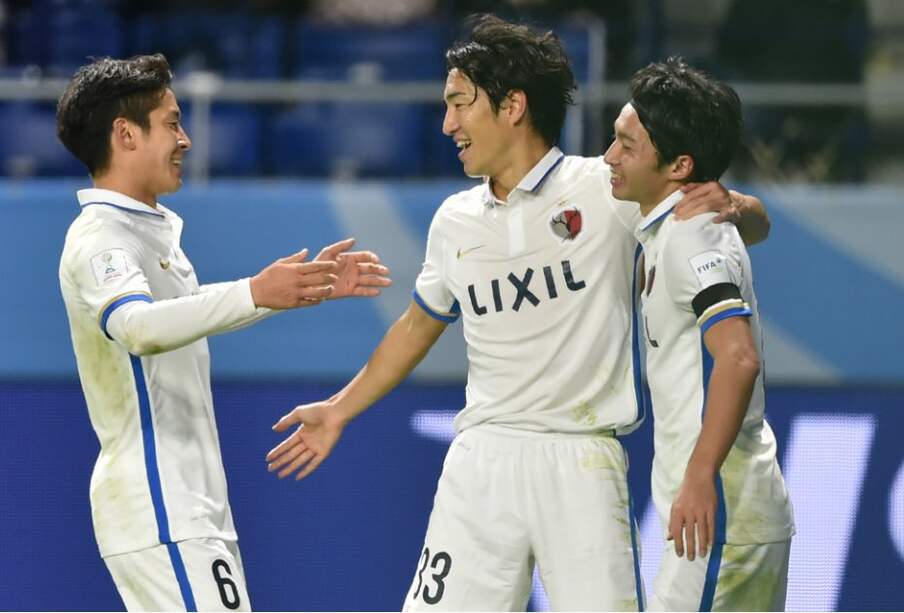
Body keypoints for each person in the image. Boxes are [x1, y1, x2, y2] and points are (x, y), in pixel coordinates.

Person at [265, 15, 769, 611]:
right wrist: (339, 409)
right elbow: (417, 325)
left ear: (512, 107)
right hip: (482, 460)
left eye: (459, 104)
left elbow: (736, 228)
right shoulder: (453, 219)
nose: (448, 124)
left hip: (582, 460)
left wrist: (735, 202)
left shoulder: (607, 191)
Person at [56, 53, 390, 612]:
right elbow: (137, 327)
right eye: (171, 123)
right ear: (125, 135)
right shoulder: (100, 239)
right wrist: (257, 291)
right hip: (159, 501)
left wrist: (292, 291)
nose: (186, 139)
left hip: (192, 504)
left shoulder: (147, 232)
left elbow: (178, 316)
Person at [603, 57, 794, 611]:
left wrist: (700, 476)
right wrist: (740, 204)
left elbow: (738, 360)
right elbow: (754, 223)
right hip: (720, 518)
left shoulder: (690, 237)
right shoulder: (681, 219)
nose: (610, 158)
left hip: (724, 518)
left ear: (679, 165)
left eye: (626, 146)